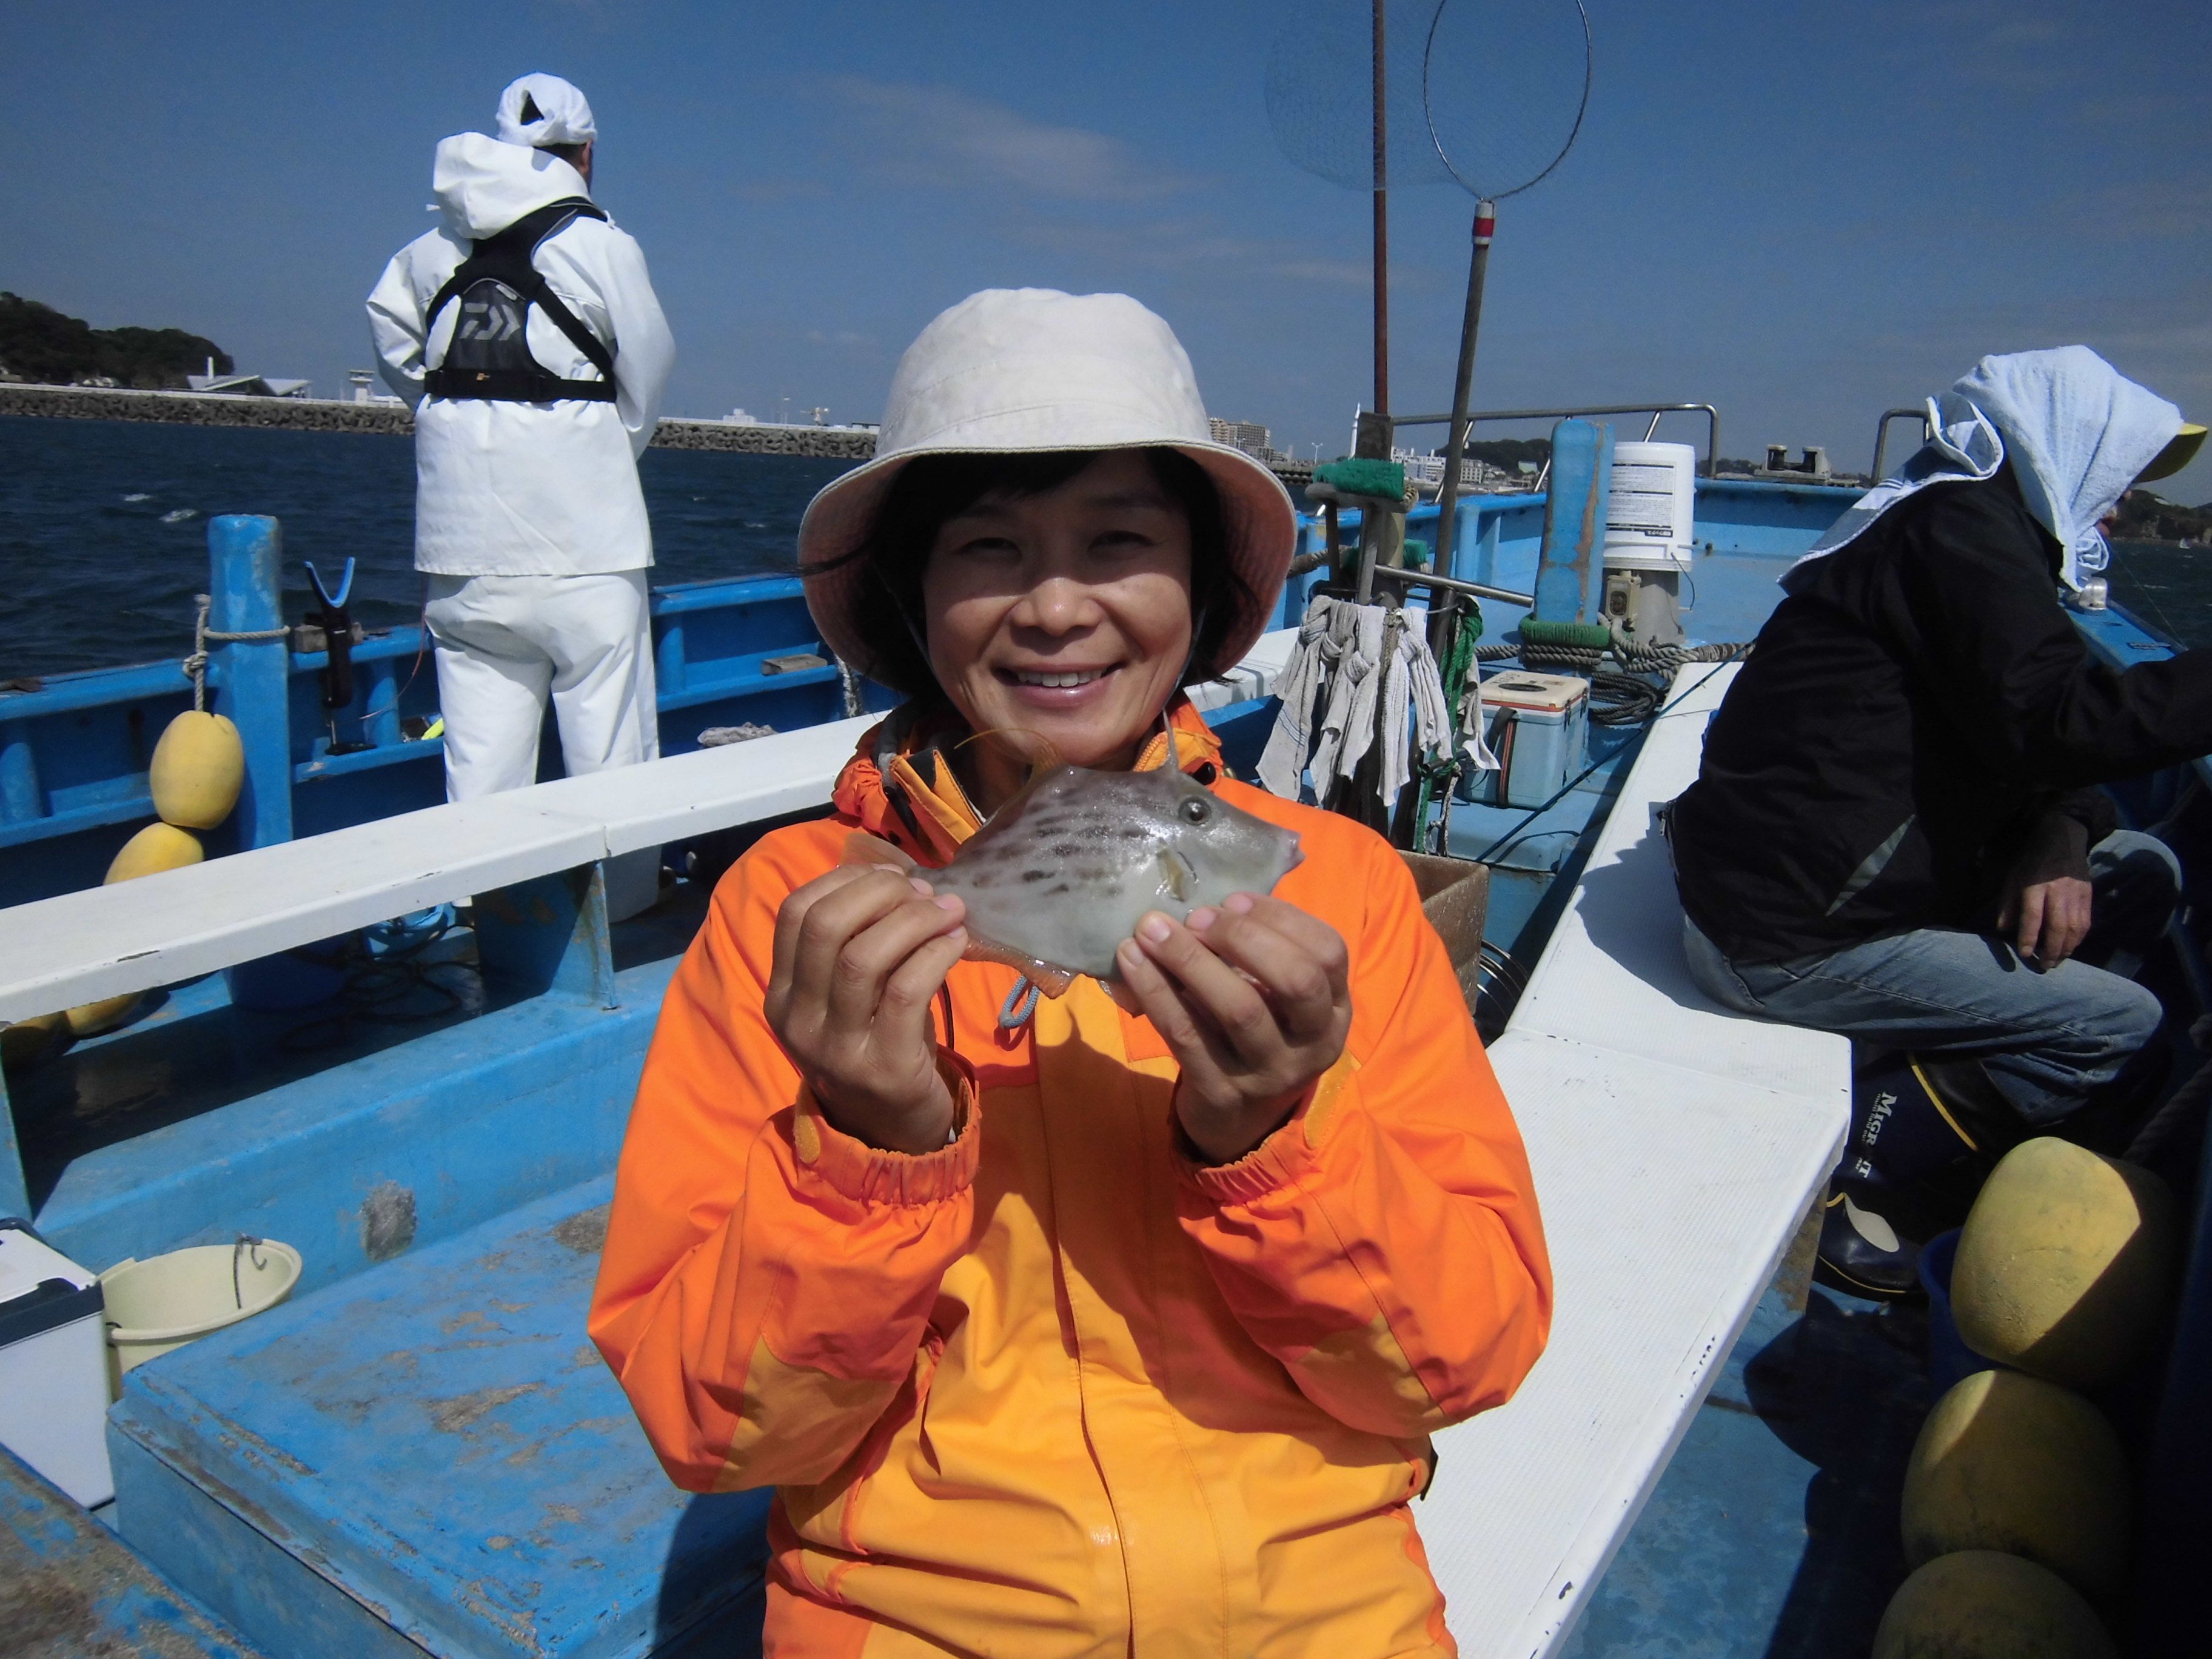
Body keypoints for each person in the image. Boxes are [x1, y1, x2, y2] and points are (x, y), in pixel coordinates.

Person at [589, 288, 1552, 1654]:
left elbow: (1465, 1358)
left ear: (1201, 591)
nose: (1054, 607)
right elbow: (714, 1434)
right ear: (913, 597)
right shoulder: (798, 915)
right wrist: (868, 1142)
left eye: (1120, 542)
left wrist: (1275, 1136)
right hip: (917, 1617)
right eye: (989, 550)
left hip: (1325, 1608)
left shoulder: (1345, 891)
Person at [1669, 346, 2210, 1293]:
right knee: (2120, 1027)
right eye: (2121, 470)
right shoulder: (1966, 536)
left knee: (2140, 870)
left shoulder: (1961, 521)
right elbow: (2057, 724)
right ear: (2068, 446)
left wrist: (2060, 832)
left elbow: (2020, 722)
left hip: (1803, 882)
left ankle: (1941, 1070)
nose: (2122, 502)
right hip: (1783, 938)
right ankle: (1860, 1172)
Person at [367, 73, 675, 917]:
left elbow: (399, 350)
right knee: (609, 744)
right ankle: (622, 911)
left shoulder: (425, 252)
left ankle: (483, 917)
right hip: (586, 543)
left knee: (481, 760)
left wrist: (459, 421)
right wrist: (602, 447)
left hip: (461, 547)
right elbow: (647, 370)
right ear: (586, 154)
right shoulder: (604, 246)